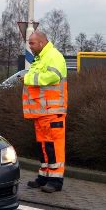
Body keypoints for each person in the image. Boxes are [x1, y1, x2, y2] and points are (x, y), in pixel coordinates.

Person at [22, 31, 68, 193]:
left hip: (52, 111)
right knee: (44, 146)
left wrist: (27, 79)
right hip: (42, 112)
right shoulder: (41, 58)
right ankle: (44, 176)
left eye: (32, 43)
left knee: (54, 146)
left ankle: (56, 181)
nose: (30, 46)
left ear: (41, 43)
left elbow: (52, 77)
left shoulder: (53, 55)